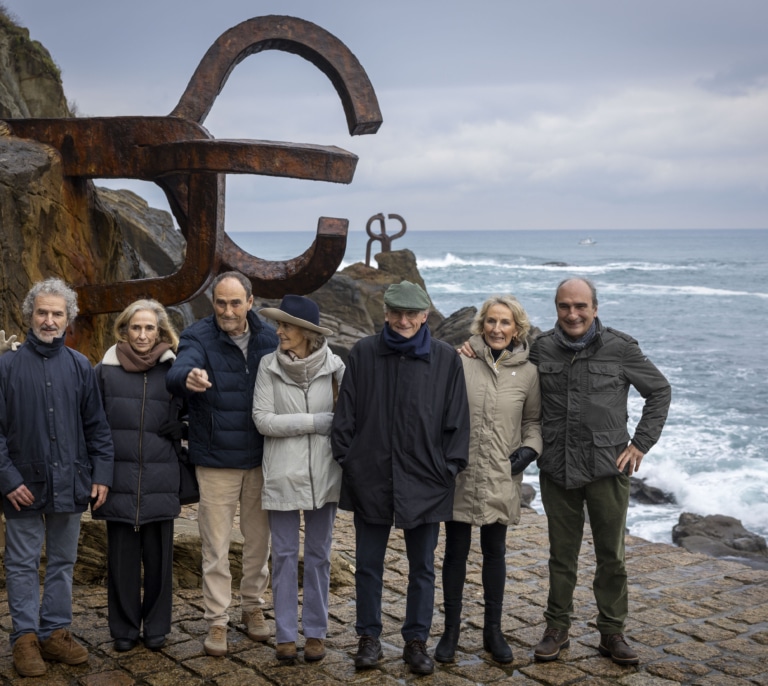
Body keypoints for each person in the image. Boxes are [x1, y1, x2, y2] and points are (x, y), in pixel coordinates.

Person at [331, 280, 470, 676]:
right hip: (371, 478)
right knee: (368, 565)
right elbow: (345, 419)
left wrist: (448, 470)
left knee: (422, 568)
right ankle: (369, 638)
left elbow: (457, 423)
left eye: (412, 314)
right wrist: (352, 463)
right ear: (386, 313)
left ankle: (415, 642)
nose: (404, 320)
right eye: (397, 313)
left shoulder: (445, 359)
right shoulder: (363, 353)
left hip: (427, 481)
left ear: (425, 315)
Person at [530, 277, 671, 666]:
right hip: (556, 467)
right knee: (562, 555)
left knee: (612, 555)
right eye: (564, 306)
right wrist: (470, 350)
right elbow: (507, 376)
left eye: (580, 306)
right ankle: (556, 628)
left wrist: (640, 443)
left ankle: (612, 632)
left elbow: (659, 391)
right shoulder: (540, 348)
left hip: (608, 468)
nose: (572, 314)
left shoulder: (621, 348)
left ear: (595, 308)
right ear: (556, 308)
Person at [0, 277, 114, 678]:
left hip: (70, 481)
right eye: (42, 312)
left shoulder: (80, 366)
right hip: (21, 486)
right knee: (22, 563)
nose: (49, 320)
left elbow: (97, 426)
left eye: (57, 314)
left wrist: (101, 473)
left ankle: (54, 632)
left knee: (63, 561)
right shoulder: (6, 365)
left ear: (69, 319)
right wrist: (7, 479)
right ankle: (25, 638)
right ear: (30, 314)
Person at [165, 271, 278, 657]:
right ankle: (216, 620)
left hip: (263, 458)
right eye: (220, 303)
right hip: (215, 459)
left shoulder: (270, 337)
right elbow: (179, 368)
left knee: (258, 543)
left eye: (235, 303)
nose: (227, 311)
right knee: (215, 545)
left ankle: (252, 607)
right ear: (212, 303)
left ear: (250, 301)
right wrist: (188, 377)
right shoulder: (198, 336)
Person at [437, 295, 542, 665]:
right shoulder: (459, 360)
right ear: (482, 324)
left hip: (501, 475)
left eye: (505, 323)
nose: (497, 329)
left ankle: (492, 631)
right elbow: (439, 411)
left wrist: (529, 451)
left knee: (495, 553)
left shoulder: (529, 372)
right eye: (491, 321)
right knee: (455, 553)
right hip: (461, 475)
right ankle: (450, 631)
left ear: (517, 329)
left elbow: (533, 422)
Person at [252, 295, 345, 663]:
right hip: (282, 474)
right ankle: (286, 634)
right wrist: (317, 423)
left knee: (320, 555)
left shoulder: (337, 368)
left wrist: (323, 425)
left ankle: (317, 632)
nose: (278, 332)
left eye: (286, 325)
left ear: (307, 332)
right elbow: (263, 420)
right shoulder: (267, 366)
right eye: (279, 325)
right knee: (285, 556)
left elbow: (348, 419)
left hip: (326, 474)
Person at [93, 299, 185, 653]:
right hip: (117, 477)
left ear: (160, 332)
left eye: (149, 328)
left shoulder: (175, 371)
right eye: (136, 327)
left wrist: (184, 427)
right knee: (121, 561)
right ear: (124, 330)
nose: (143, 335)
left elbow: (194, 415)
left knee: (160, 560)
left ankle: (158, 626)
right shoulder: (105, 370)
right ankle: (125, 629)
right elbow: (94, 424)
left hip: (162, 477)